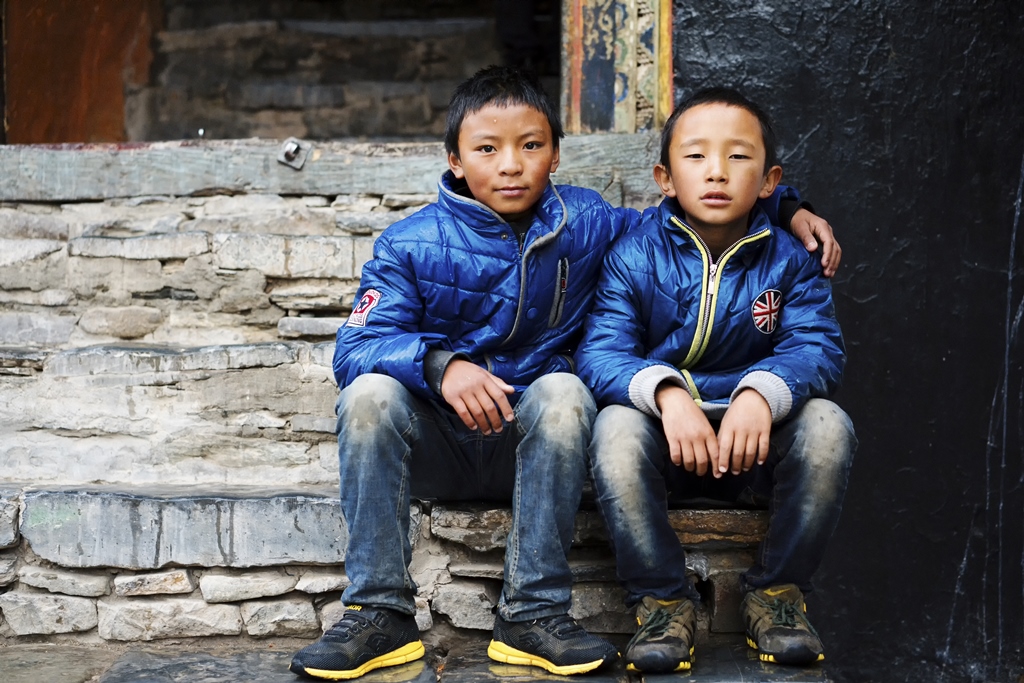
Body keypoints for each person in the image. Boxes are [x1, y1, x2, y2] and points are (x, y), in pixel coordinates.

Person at [289, 68, 840, 680]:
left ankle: (531, 614)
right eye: (487, 149)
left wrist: (787, 209)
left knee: (563, 388)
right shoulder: (410, 243)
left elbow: (691, 217)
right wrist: (440, 367)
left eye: (530, 145)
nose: (510, 165)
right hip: (438, 441)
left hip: (538, 444)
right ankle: (379, 613)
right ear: (454, 159)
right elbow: (356, 347)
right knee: (368, 395)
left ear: (555, 154)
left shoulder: (588, 223)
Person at [575, 88, 857, 673]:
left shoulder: (790, 259)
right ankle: (661, 601)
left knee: (830, 425)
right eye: (697, 156)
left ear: (770, 179)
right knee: (615, 428)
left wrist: (761, 391)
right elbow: (601, 352)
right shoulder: (634, 253)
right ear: (665, 177)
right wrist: (667, 392)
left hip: (753, 447)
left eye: (738, 157)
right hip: (668, 442)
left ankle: (777, 595)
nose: (718, 173)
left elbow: (818, 348)